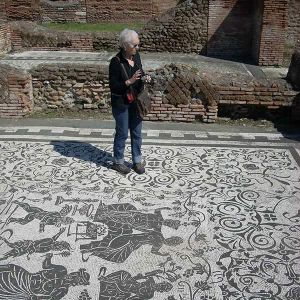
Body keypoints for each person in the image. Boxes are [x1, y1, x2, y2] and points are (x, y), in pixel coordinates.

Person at [109, 29, 151, 175]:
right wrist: (129, 81)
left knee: (137, 132)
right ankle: (118, 162)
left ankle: (137, 161)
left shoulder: (136, 56)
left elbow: (140, 72)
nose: (137, 48)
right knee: (122, 133)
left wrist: (145, 78)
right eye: (135, 45)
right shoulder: (115, 62)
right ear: (125, 45)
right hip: (121, 103)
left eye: (138, 45)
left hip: (136, 102)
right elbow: (114, 86)